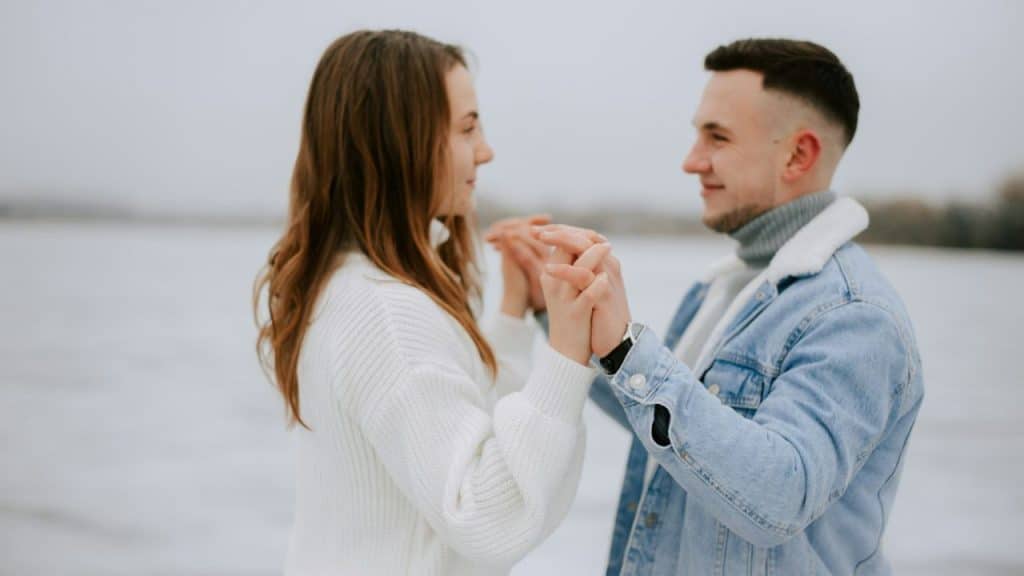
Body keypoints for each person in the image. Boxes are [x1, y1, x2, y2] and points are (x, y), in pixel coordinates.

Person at [491, 38, 924, 575]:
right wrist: (556, 309)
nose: (691, 161)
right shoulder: (725, 286)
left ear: (798, 155)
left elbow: (781, 495)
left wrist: (629, 351)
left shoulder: (853, 317)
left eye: (717, 137)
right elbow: (668, 427)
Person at [254, 29, 603, 575]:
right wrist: (567, 348)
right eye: (467, 128)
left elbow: (462, 435)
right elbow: (489, 515)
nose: (485, 150)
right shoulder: (387, 315)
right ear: (400, 144)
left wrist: (514, 312)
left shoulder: (346, 287)